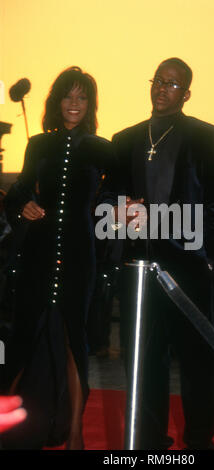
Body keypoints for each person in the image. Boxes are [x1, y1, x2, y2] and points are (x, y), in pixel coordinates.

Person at [103, 58, 214, 449]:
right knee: (143, 362)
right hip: (138, 268)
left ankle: (199, 442)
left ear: (187, 93)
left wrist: (209, 257)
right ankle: (147, 441)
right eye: (158, 80)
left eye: (173, 84)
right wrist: (116, 209)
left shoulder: (206, 136)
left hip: (189, 266)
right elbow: (109, 194)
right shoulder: (124, 139)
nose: (163, 88)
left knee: (197, 361)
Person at [2, 67, 113, 449]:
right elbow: (16, 192)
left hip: (81, 258)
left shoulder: (103, 148)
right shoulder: (39, 146)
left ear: (91, 105)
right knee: (24, 339)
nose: (74, 104)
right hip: (38, 255)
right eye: (68, 96)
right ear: (57, 101)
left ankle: (76, 436)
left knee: (73, 342)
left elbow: (115, 197)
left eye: (83, 98)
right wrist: (25, 206)